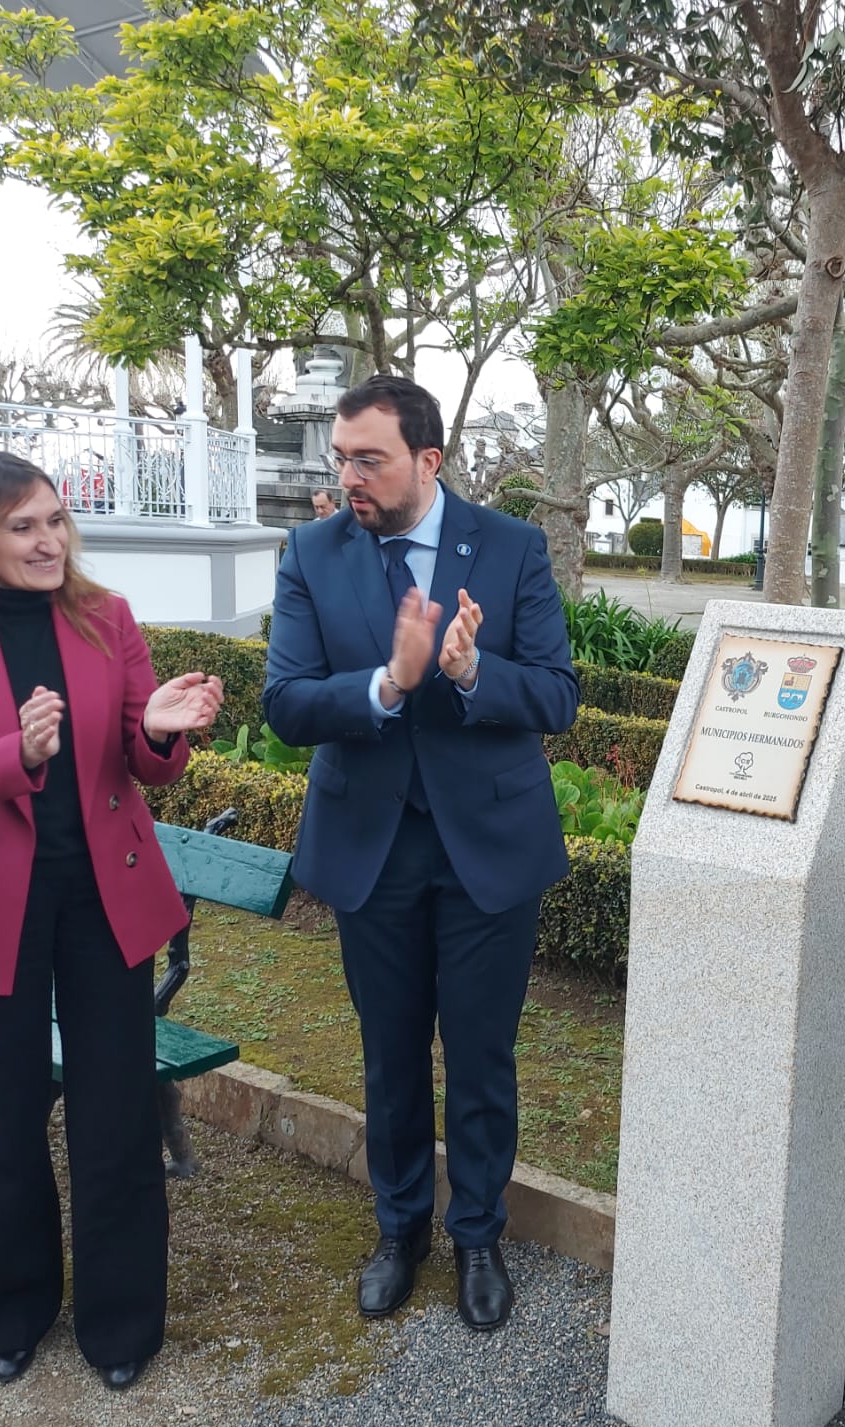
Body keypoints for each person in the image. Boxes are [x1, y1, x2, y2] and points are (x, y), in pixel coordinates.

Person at [0, 447, 224, 1391]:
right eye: (23, 526)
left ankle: (122, 1325)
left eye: (57, 520)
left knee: (116, 1115)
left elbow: (141, 765)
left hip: (100, 898)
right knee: (4, 1115)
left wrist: (158, 728)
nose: (49, 541)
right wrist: (16, 753)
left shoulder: (104, 617)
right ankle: (7, 1309)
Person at [263, 374, 577, 1329]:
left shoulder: (512, 548)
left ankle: (477, 1231)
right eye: (342, 457)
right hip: (373, 848)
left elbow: (558, 696)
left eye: (370, 459)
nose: (348, 475)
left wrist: (474, 670)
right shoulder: (313, 553)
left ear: (428, 461)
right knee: (389, 1054)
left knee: (481, 1055)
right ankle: (399, 1228)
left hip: (488, 848)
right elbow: (285, 703)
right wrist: (388, 684)